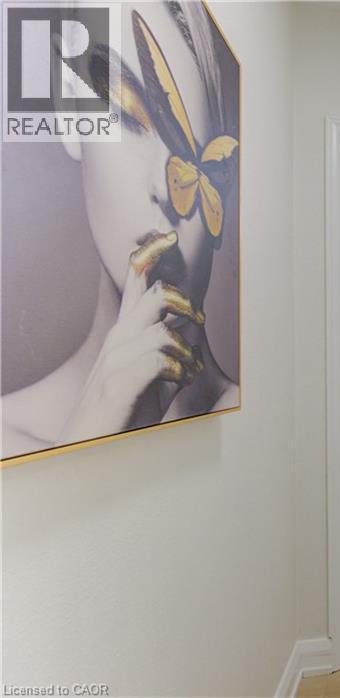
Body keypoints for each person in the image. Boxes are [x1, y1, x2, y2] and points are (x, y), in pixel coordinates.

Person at [1, 1, 239, 460]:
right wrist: (90, 429)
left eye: (198, 153)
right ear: (68, 104)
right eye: (126, 112)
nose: (166, 188)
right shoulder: (7, 437)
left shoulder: (263, 431)